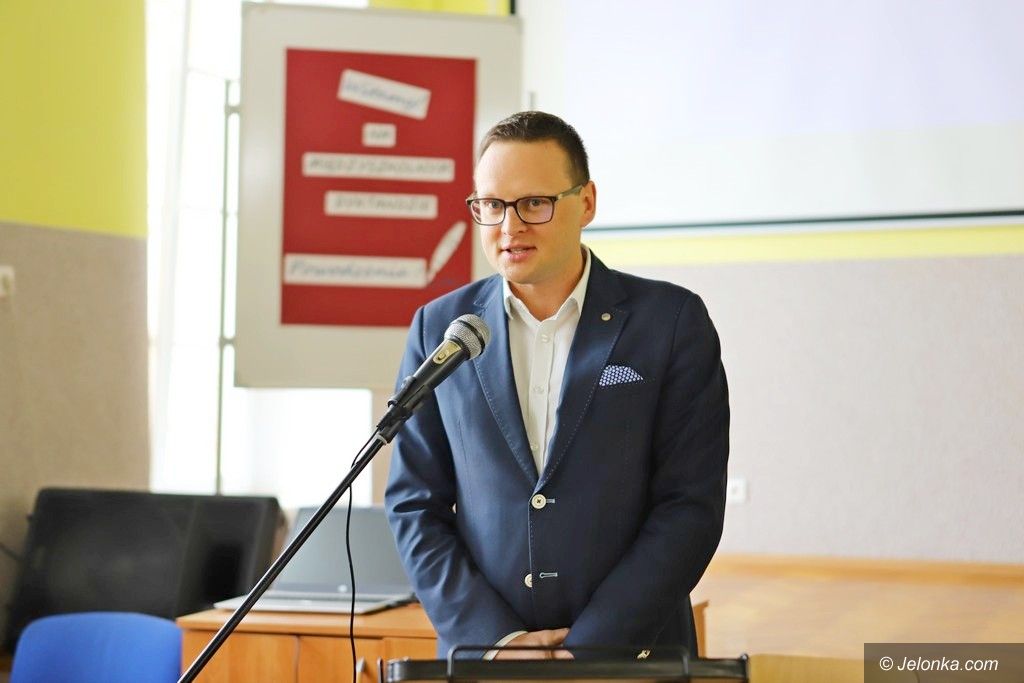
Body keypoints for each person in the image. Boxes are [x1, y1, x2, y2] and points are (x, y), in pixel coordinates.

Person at [385, 111, 729, 660]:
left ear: (586, 202)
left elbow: (689, 506)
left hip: (630, 656)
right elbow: (414, 505)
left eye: (534, 203)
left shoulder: (670, 322)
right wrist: (496, 642)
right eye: (492, 205)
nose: (509, 226)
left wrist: (589, 651)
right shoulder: (441, 328)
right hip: (489, 658)